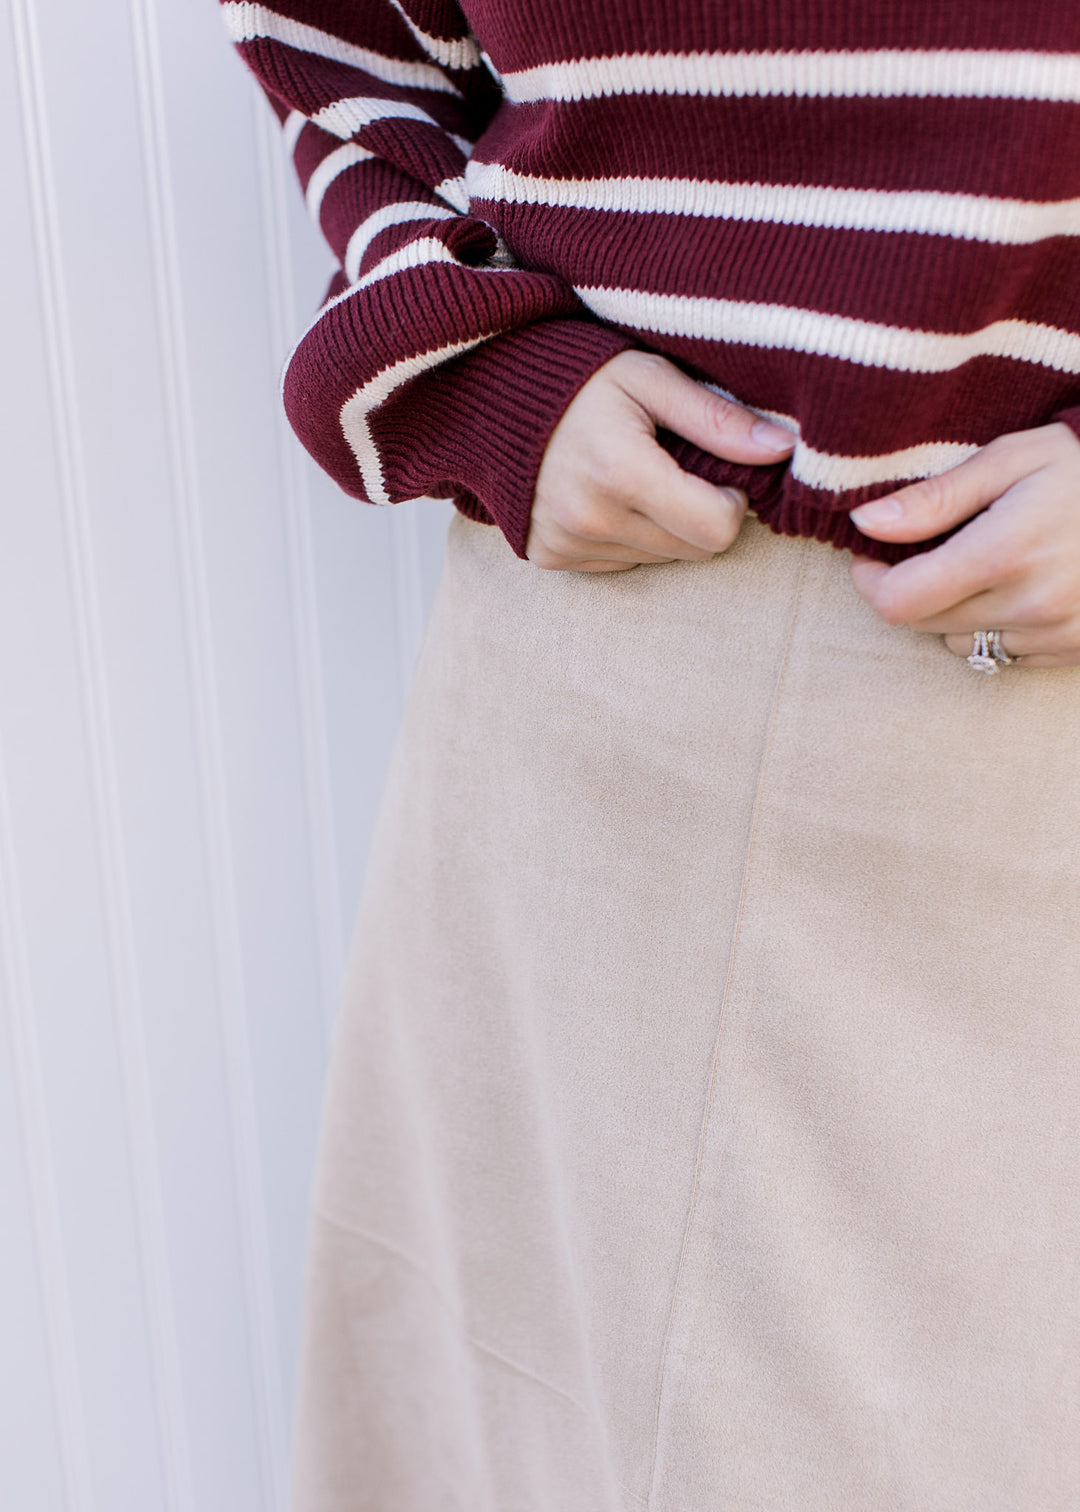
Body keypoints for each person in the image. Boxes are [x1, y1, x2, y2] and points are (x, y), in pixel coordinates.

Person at [222, 3, 1080, 1507]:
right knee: (498, 1425)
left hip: (1022, 755)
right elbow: (337, 36)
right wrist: (475, 368)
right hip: (580, 703)